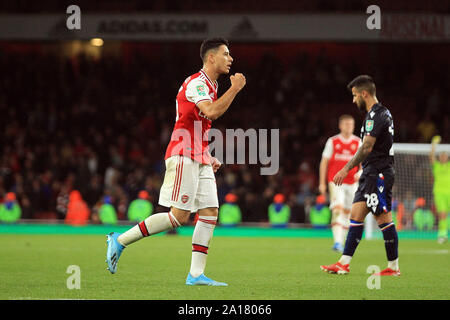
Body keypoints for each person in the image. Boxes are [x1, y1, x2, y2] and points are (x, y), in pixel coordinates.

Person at [105, 38, 246, 286]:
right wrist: (234, 89)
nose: (230, 58)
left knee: (210, 211)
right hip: (183, 154)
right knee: (179, 217)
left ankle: (195, 275)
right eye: (226, 54)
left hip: (198, 154)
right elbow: (211, 112)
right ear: (211, 57)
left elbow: (200, 122)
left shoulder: (210, 85)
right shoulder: (197, 83)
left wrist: (207, 154)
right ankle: (120, 240)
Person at [320, 75, 400, 276]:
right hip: (370, 174)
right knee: (355, 216)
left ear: (365, 94)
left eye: (355, 95)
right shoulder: (378, 114)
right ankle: (343, 263)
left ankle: (393, 267)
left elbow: (366, 147)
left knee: (384, 219)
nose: (353, 100)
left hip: (378, 174)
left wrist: (346, 168)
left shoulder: (376, 115)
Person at [319, 114, 361, 252]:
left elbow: (364, 163)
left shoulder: (358, 142)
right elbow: (324, 162)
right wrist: (322, 183)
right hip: (336, 182)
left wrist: (360, 173)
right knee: (338, 209)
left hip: (352, 183)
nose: (349, 127)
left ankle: (342, 241)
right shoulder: (333, 141)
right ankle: (337, 242)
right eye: (346, 124)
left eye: (351, 124)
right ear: (340, 125)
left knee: (349, 213)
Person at [429, 135, 449, 243]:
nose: (443, 157)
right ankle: (442, 235)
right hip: (439, 193)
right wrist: (434, 144)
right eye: (441, 156)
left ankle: (443, 234)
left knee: (444, 214)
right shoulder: (436, 166)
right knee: (442, 214)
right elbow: (431, 156)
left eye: (445, 156)